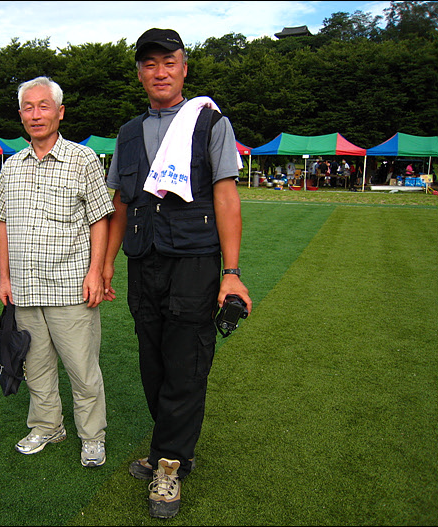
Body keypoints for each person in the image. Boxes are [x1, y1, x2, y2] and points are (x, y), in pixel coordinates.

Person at [102, 28, 252, 519]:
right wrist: (105, 265)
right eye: (149, 64)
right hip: (143, 261)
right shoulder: (126, 134)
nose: (159, 72)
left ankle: (169, 465)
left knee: (185, 367)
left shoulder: (210, 123)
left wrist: (231, 272)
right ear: (140, 73)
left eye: (169, 62)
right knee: (154, 366)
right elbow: (121, 207)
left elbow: (227, 196)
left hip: (195, 261)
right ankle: (169, 444)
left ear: (184, 68)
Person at [0, 76, 115, 468]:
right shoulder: (12, 166)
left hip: (71, 286)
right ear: (21, 115)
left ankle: (92, 436)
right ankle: (47, 426)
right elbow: (3, 222)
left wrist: (96, 272)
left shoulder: (83, 159)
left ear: (60, 112)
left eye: (44, 106)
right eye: (29, 107)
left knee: (82, 369)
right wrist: (5, 278)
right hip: (24, 289)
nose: (36, 114)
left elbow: (99, 219)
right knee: (36, 366)